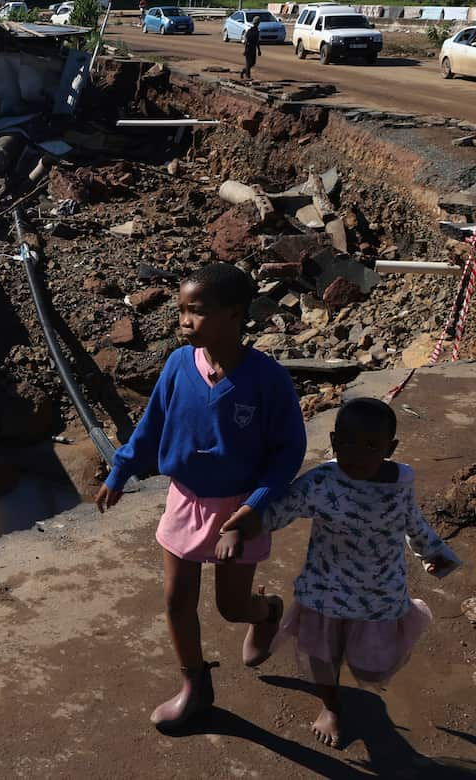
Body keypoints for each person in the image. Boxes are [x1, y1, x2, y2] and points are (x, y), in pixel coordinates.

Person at [96, 262, 307, 731]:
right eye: (181, 311)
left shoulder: (269, 380)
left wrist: (255, 508)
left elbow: (289, 453)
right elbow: (151, 426)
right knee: (176, 600)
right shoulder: (177, 365)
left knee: (231, 607)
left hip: (241, 508)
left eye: (197, 312)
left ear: (234, 315)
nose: (185, 321)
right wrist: (122, 470)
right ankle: (195, 684)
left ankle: (267, 611)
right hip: (187, 498)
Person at [221, 398, 460, 748]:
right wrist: (239, 530)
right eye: (348, 443)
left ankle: (285, 631)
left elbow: (413, 522)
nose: (358, 454)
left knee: (370, 668)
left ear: (389, 448)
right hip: (325, 590)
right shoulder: (322, 482)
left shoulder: (400, 482)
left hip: (379, 593)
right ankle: (330, 706)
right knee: (323, 657)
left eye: (370, 446)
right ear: (333, 442)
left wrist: (434, 552)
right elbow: (281, 510)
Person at [243, 16, 262, 81]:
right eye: (257, 23)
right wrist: (245, 50)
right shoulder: (249, 31)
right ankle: (248, 76)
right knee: (249, 63)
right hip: (249, 48)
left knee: (253, 63)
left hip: (253, 48)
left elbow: (257, 42)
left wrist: (259, 50)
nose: (257, 24)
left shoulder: (257, 31)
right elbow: (246, 41)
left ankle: (244, 70)